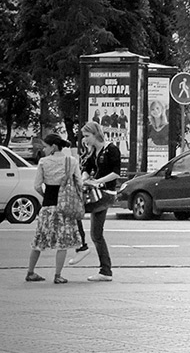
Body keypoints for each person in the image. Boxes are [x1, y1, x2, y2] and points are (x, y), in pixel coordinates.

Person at [25, 134, 82, 284]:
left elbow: (37, 185)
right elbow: (79, 184)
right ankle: (58, 275)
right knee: (62, 243)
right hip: (64, 207)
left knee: (39, 240)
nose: (44, 149)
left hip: (47, 206)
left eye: (46, 146)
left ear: (54, 147)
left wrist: (44, 195)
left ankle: (30, 272)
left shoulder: (43, 162)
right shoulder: (72, 161)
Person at [80, 121, 120, 282]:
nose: (85, 139)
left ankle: (81, 247)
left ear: (96, 134)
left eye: (87, 136)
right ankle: (105, 271)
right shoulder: (93, 151)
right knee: (96, 234)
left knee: (75, 208)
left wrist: (97, 182)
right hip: (97, 193)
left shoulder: (111, 149)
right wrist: (85, 179)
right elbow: (85, 170)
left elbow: (116, 173)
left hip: (106, 193)